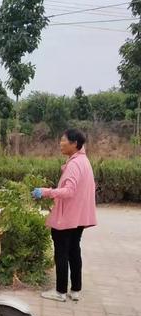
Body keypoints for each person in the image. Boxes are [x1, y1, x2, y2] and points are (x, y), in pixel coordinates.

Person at [32, 128, 97, 302]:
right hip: (79, 217)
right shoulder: (84, 161)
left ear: (74, 144)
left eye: (63, 140)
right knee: (74, 251)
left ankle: (60, 291)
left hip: (67, 217)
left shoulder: (75, 164)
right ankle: (75, 289)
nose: (60, 143)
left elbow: (69, 191)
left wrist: (45, 192)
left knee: (62, 252)